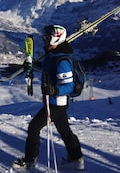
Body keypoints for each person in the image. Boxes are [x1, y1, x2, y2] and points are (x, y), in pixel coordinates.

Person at [13, 25, 85, 170]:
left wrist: (54, 90)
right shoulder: (54, 56)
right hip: (56, 102)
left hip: (56, 103)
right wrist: (32, 65)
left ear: (56, 39)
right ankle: (76, 158)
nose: (44, 40)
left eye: (47, 38)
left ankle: (29, 160)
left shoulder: (62, 61)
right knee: (65, 131)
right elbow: (47, 69)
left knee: (34, 127)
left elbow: (69, 86)